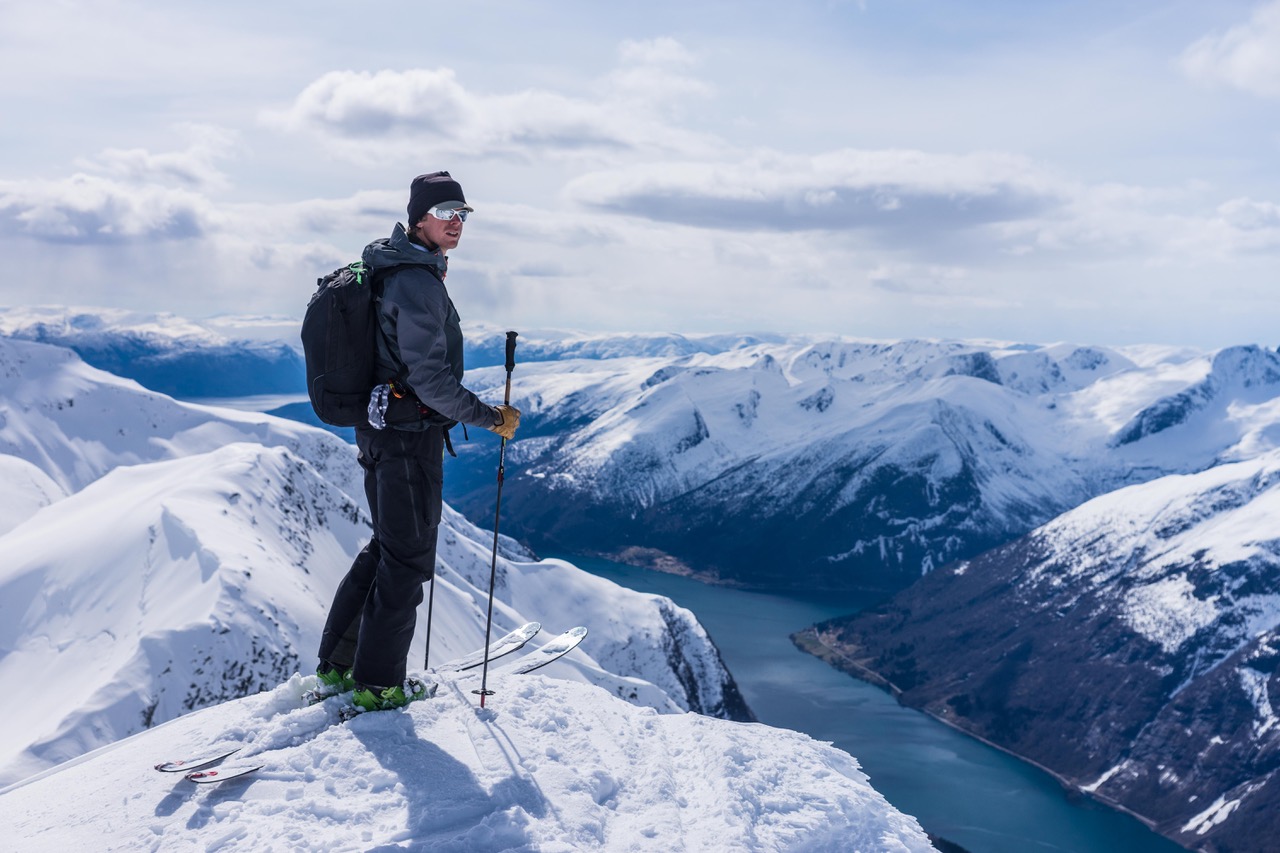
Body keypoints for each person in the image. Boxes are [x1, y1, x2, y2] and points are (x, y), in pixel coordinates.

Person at [314, 171, 520, 712]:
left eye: (462, 214)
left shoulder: (391, 267)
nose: (457, 223)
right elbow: (430, 379)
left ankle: (339, 667)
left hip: (380, 426)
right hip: (407, 436)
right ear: (419, 218)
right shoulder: (416, 281)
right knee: (406, 560)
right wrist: (489, 417)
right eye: (446, 213)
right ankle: (378, 685)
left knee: (388, 548)